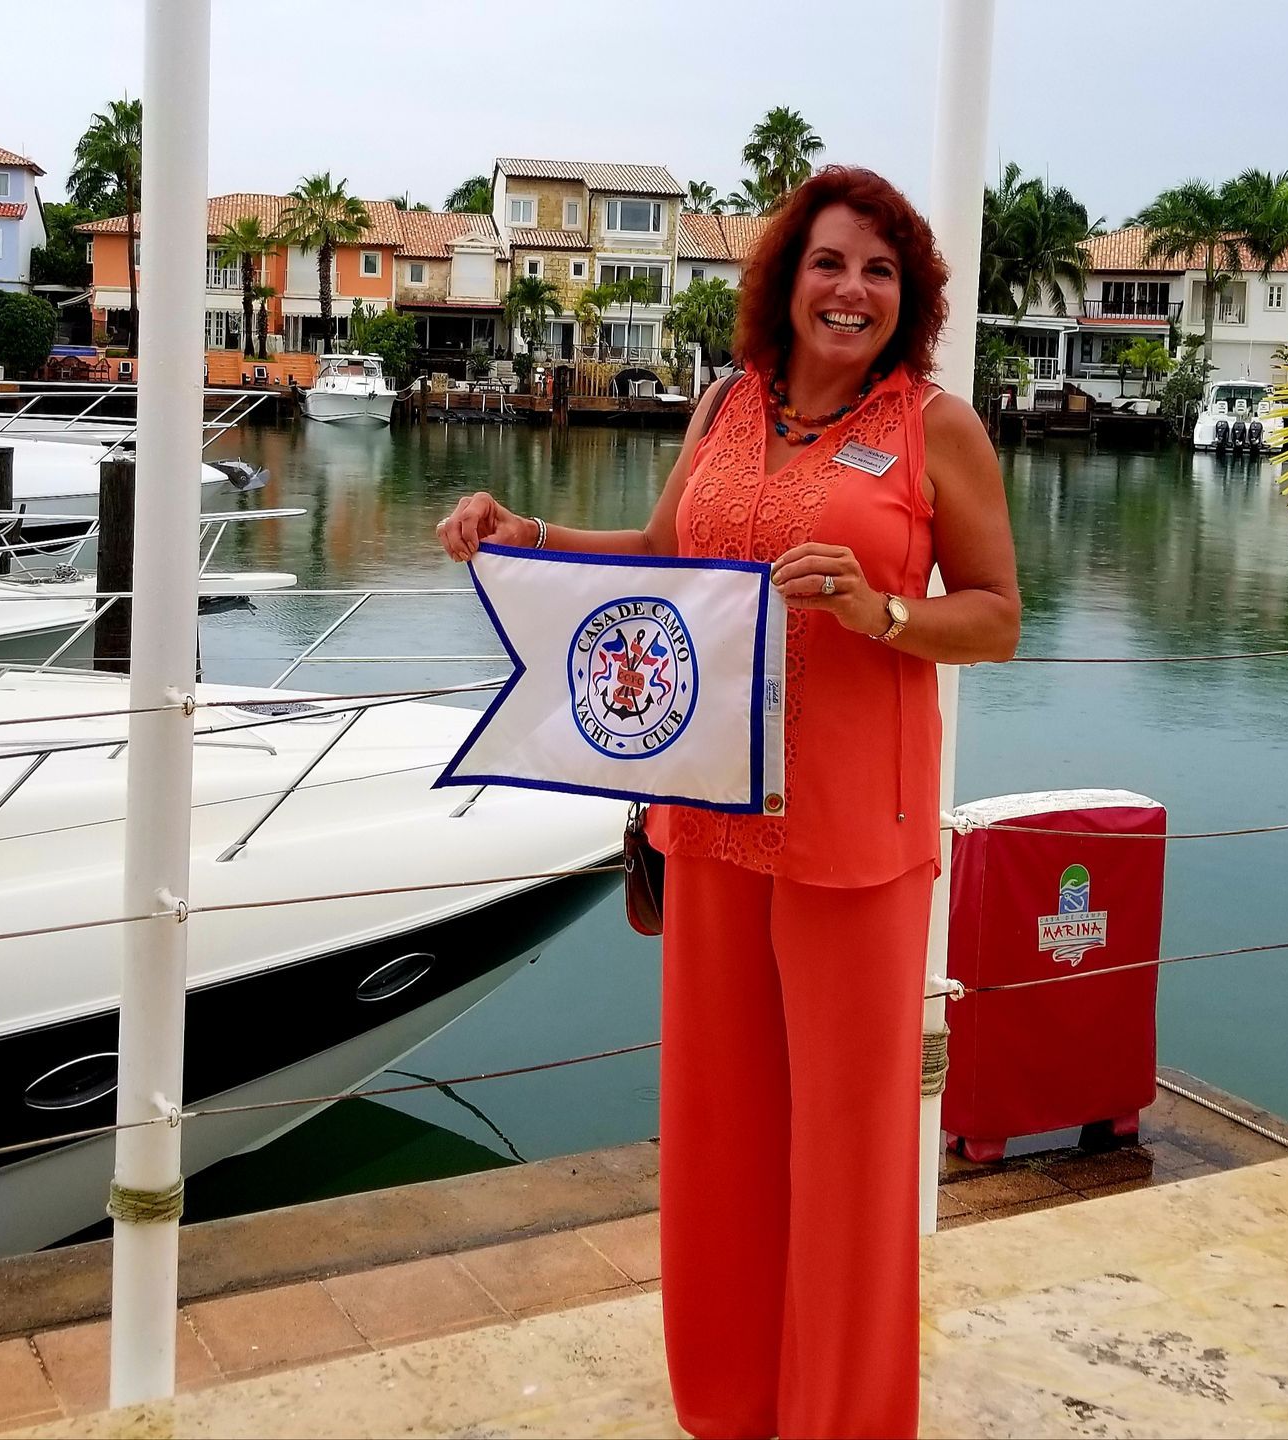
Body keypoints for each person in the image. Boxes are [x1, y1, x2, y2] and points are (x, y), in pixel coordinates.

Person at [436, 165, 1020, 1439]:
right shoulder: (725, 404)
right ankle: (734, 1404)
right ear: (785, 280)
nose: (851, 288)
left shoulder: (936, 428)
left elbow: (997, 617)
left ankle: (841, 1419)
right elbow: (662, 560)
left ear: (906, 294)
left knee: (851, 1158)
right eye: (828, 262)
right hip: (706, 822)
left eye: (878, 269)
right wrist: (519, 530)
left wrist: (885, 613)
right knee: (723, 1136)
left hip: (856, 841)